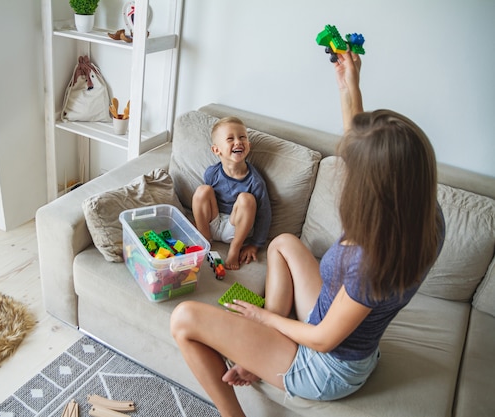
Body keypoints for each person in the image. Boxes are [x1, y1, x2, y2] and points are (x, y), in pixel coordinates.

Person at [170, 49, 445, 417]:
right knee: (284, 243)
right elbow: (360, 145)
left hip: (327, 366)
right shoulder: (423, 215)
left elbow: (323, 339)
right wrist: (350, 87)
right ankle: (263, 352)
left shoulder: (371, 259)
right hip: (331, 321)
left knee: (184, 318)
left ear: (372, 186)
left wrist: (261, 317)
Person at [192, 116, 272, 270]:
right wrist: (202, 221)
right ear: (216, 150)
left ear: (248, 145)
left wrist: (255, 245)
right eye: (230, 138)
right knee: (203, 190)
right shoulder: (212, 173)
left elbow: (264, 215)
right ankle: (203, 238)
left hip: (236, 230)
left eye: (242, 137)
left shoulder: (255, 182)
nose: (238, 141)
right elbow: (206, 201)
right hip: (212, 224)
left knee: (246, 199)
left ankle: (234, 250)